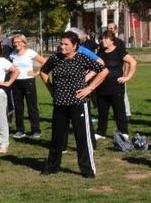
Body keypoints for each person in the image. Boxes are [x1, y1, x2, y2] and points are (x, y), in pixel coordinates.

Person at [39, 31, 108, 177]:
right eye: (61, 44)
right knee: (57, 138)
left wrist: (89, 88)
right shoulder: (55, 58)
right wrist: (51, 89)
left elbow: (103, 71)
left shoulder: (82, 58)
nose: (62, 47)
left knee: (82, 138)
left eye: (66, 44)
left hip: (78, 103)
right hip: (59, 104)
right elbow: (43, 72)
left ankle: (87, 170)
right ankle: (52, 167)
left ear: (74, 45)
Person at [95, 31, 137, 140]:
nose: (102, 41)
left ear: (112, 40)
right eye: (102, 39)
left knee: (119, 110)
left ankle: (123, 132)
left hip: (116, 86)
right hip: (101, 86)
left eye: (105, 39)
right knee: (102, 111)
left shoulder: (119, 51)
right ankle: (101, 132)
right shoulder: (100, 52)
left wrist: (127, 77)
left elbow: (133, 62)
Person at [9, 34, 46, 139]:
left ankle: (35, 130)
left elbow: (45, 62)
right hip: (16, 83)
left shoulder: (30, 53)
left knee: (32, 107)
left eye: (19, 42)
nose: (16, 44)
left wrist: (36, 73)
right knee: (18, 107)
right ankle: (20, 130)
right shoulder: (12, 55)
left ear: (24, 43)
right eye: (14, 42)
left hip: (28, 82)